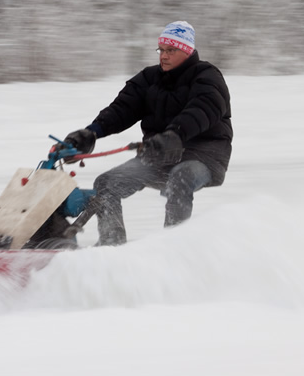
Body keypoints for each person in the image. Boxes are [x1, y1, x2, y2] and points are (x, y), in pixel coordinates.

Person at [61, 21, 233, 246]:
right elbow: (122, 109)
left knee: (180, 177)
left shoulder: (207, 76)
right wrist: (91, 132)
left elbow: (203, 109)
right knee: (107, 183)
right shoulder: (149, 78)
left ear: (187, 51)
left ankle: (174, 246)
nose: (164, 56)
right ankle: (111, 244)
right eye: (161, 50)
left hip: (204, 157)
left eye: (171, 50)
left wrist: (175, 135)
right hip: (159, 154)